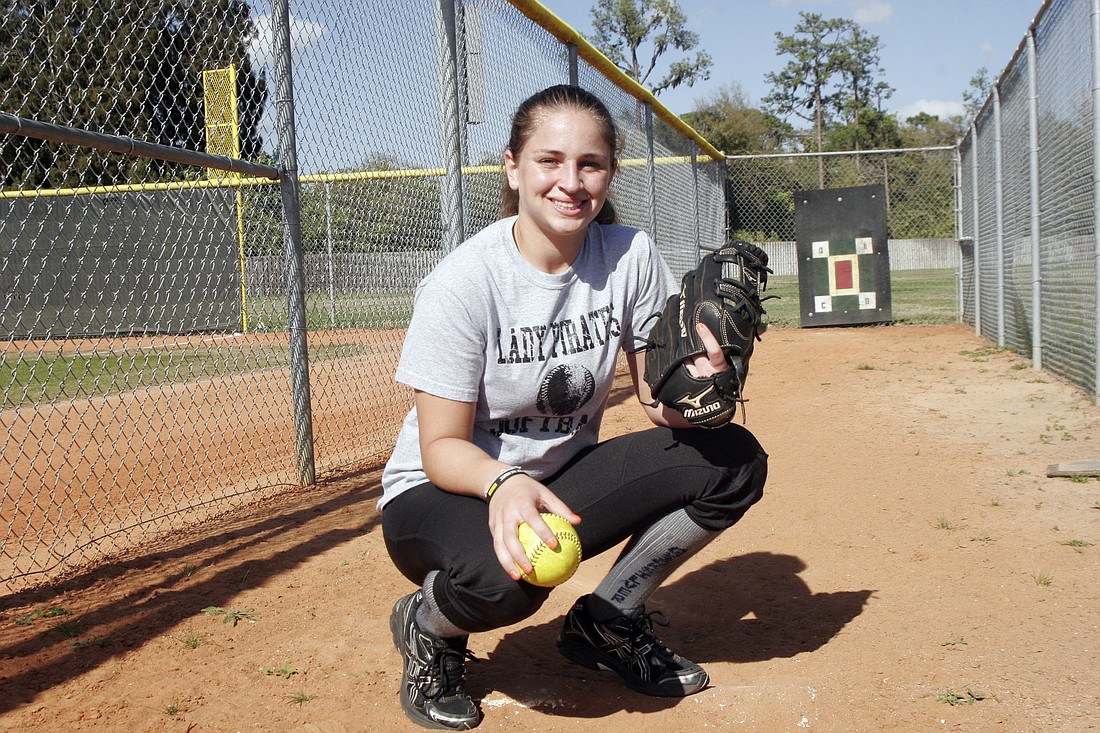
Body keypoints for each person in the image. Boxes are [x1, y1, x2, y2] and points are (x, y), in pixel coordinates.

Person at [379, 84, 767, 730]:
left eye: (590, 163)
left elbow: (654, 398)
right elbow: (440, 445)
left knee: (733, 459)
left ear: (610, 173)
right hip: (442, 488)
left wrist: (701, 392)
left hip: (558, 479)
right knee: (510, 578)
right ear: (513, 166)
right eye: (550, 160)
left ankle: (607, 621)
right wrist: (503, 483)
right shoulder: (464, 281)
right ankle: (428, 624)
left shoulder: (628, 255)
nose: (571, 181)